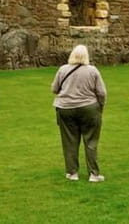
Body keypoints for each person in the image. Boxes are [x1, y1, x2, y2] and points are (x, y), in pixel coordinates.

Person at [51, 45, 107, 182]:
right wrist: (100, 105)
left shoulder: (63, 70)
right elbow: (101, 92)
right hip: (89, 108)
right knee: (91, 141)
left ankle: (72, 173)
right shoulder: (92, 71)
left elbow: (54, 88)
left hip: (66, 108)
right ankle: (93, 174)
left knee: (69, 141)